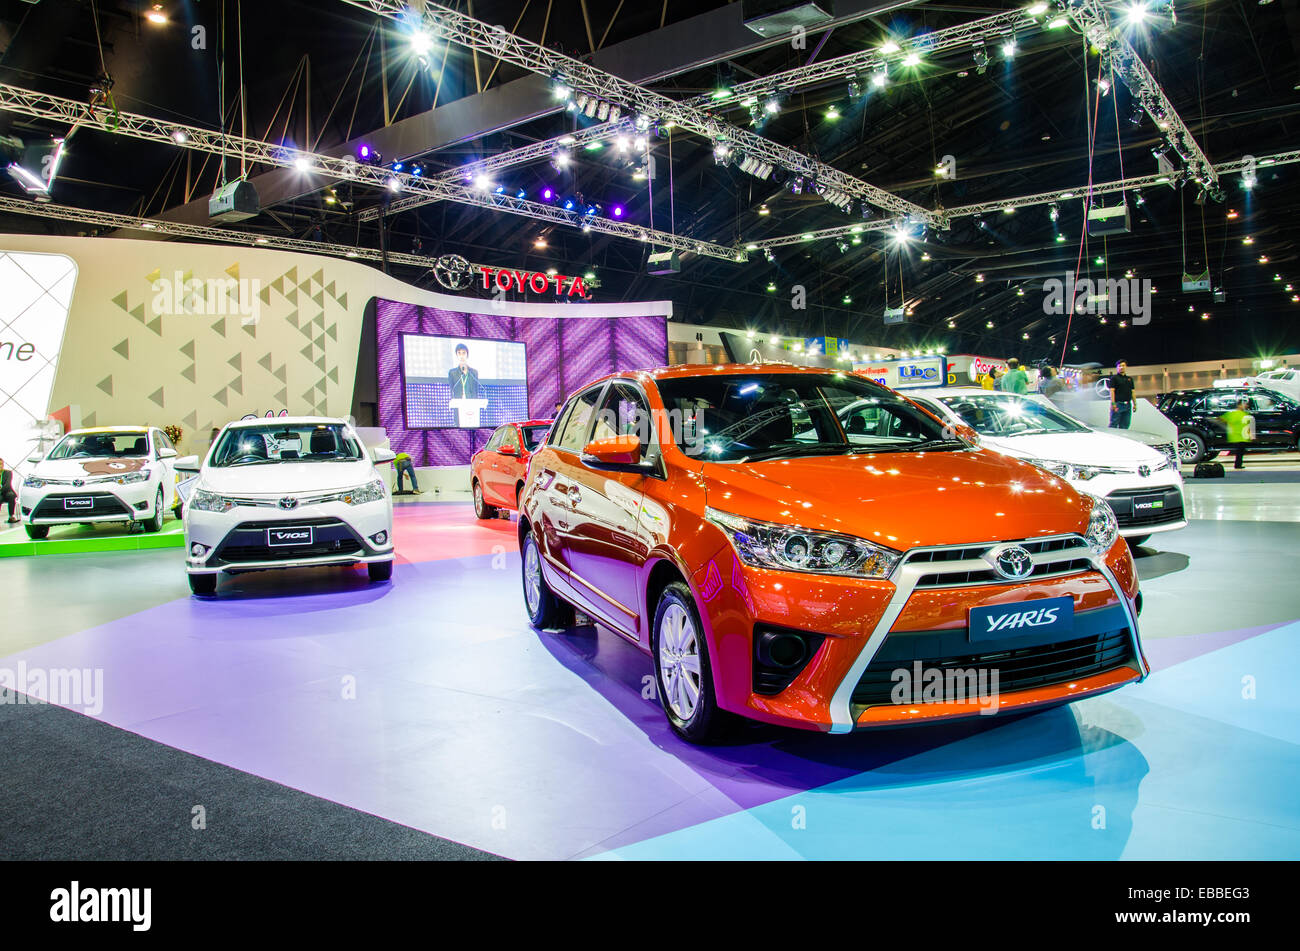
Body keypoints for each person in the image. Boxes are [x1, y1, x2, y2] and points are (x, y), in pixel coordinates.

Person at [1219, 398, 1255, 470]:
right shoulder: (1235, 414)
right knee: (1239, 452)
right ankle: (1237, 465)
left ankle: (1238, 464)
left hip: (1241, 436)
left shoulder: (1243, 414)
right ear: (1239, 405)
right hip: (1238, 437)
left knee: (1240, 452)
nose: (1246, 406)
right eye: (1244, 404)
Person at [1108, 359, 1136, 429]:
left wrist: (1135, 404)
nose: (1121, 367)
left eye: (1123, 365)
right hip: (1118, 404)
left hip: (1128, 405)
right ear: (1117, 368)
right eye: (1119, 366)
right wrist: (1113, 403)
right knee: (1113, 424)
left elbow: (1133, 392)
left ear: (1126, 367)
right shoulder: (1114, 378)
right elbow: (1112, 391)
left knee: (1125, 425)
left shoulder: (1129, 379)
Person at [0, 458, 18, 524]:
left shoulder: (8, 473)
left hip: (7, 491)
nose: (0, 466)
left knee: (11, 495)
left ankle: (11, 516)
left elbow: (7, 485)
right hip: (0, 494)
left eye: (1, 464)